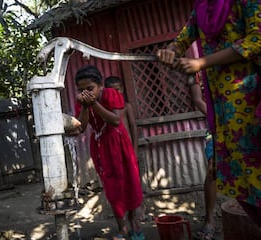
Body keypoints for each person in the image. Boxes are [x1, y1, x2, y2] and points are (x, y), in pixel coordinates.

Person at [156, 0, 261, 231]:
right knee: (241, 180)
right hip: (224, 112)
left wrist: (201, 62)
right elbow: (182, 39)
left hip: (253, 101)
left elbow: (257, 40)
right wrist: (170, 51)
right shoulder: (201, 9)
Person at [73, 65, 144, 240]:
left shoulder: (111, 95)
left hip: (118, 142)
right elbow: (81, 127)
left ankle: (134, 221)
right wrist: (84, 106)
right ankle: (122, 228)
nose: (86, 93)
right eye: (82, 90)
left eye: (90, 89)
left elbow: (114, 120)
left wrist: (94, 103)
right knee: (112, 187)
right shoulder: (82, 102)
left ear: (100, 87)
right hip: (101, 146)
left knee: (130, 182)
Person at [190, 75, 217, 240]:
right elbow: (197, 100)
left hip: (241, 118)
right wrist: (218, 119)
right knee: (212, 168)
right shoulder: (196, 72)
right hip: (215, 124)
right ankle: (210, 219)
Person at [104, 76, 138, 155]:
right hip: (113, 147)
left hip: (127, 144)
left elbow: (133, 127)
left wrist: (135, 149)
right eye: (111, 91)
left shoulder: (126, 106)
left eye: (117, 90)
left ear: (122, 89)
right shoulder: (105, 109)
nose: (115, 93)